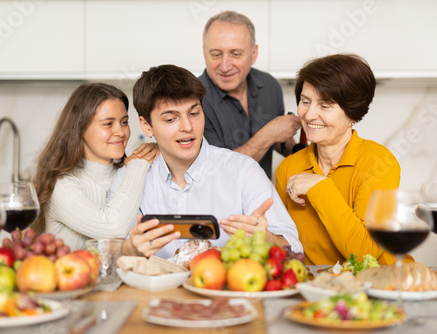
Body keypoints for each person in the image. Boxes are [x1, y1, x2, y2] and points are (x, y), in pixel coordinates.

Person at [112, 64, 303, 258]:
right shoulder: (127, 180)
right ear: (146, 127)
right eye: (171, 119)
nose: (187, 127)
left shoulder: (244, 171)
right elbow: (104, 254)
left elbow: (295, 250)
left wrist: (267, 238)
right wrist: (128, 249)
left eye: (194, 113)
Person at [275, 54, 412, 265]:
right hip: (317, 291)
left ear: (353, 114)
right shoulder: (288, 168)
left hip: (379, 288)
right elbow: (286, 250)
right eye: (305, 102)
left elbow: (364, 252)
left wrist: (319, 187)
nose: (309, 115)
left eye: (325, 105)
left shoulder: (378, 163)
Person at [32, 82, 158, 251]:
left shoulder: (125, 174)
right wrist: (139, 163)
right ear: (80, 129)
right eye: (108, 124)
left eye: (124, 122)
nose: (120, 132)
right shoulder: (62, 186)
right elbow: (114, 228)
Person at [199, 11, 301, 179]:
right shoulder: (191, 101)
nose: (224, 66)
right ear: (204, 53)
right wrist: (269, 134)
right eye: (216, 54)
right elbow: (219, 173)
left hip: (264, 201)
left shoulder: (269, 85)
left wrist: (296, 150)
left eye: (235, 54)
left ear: (254, 54)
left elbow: (277, 140)